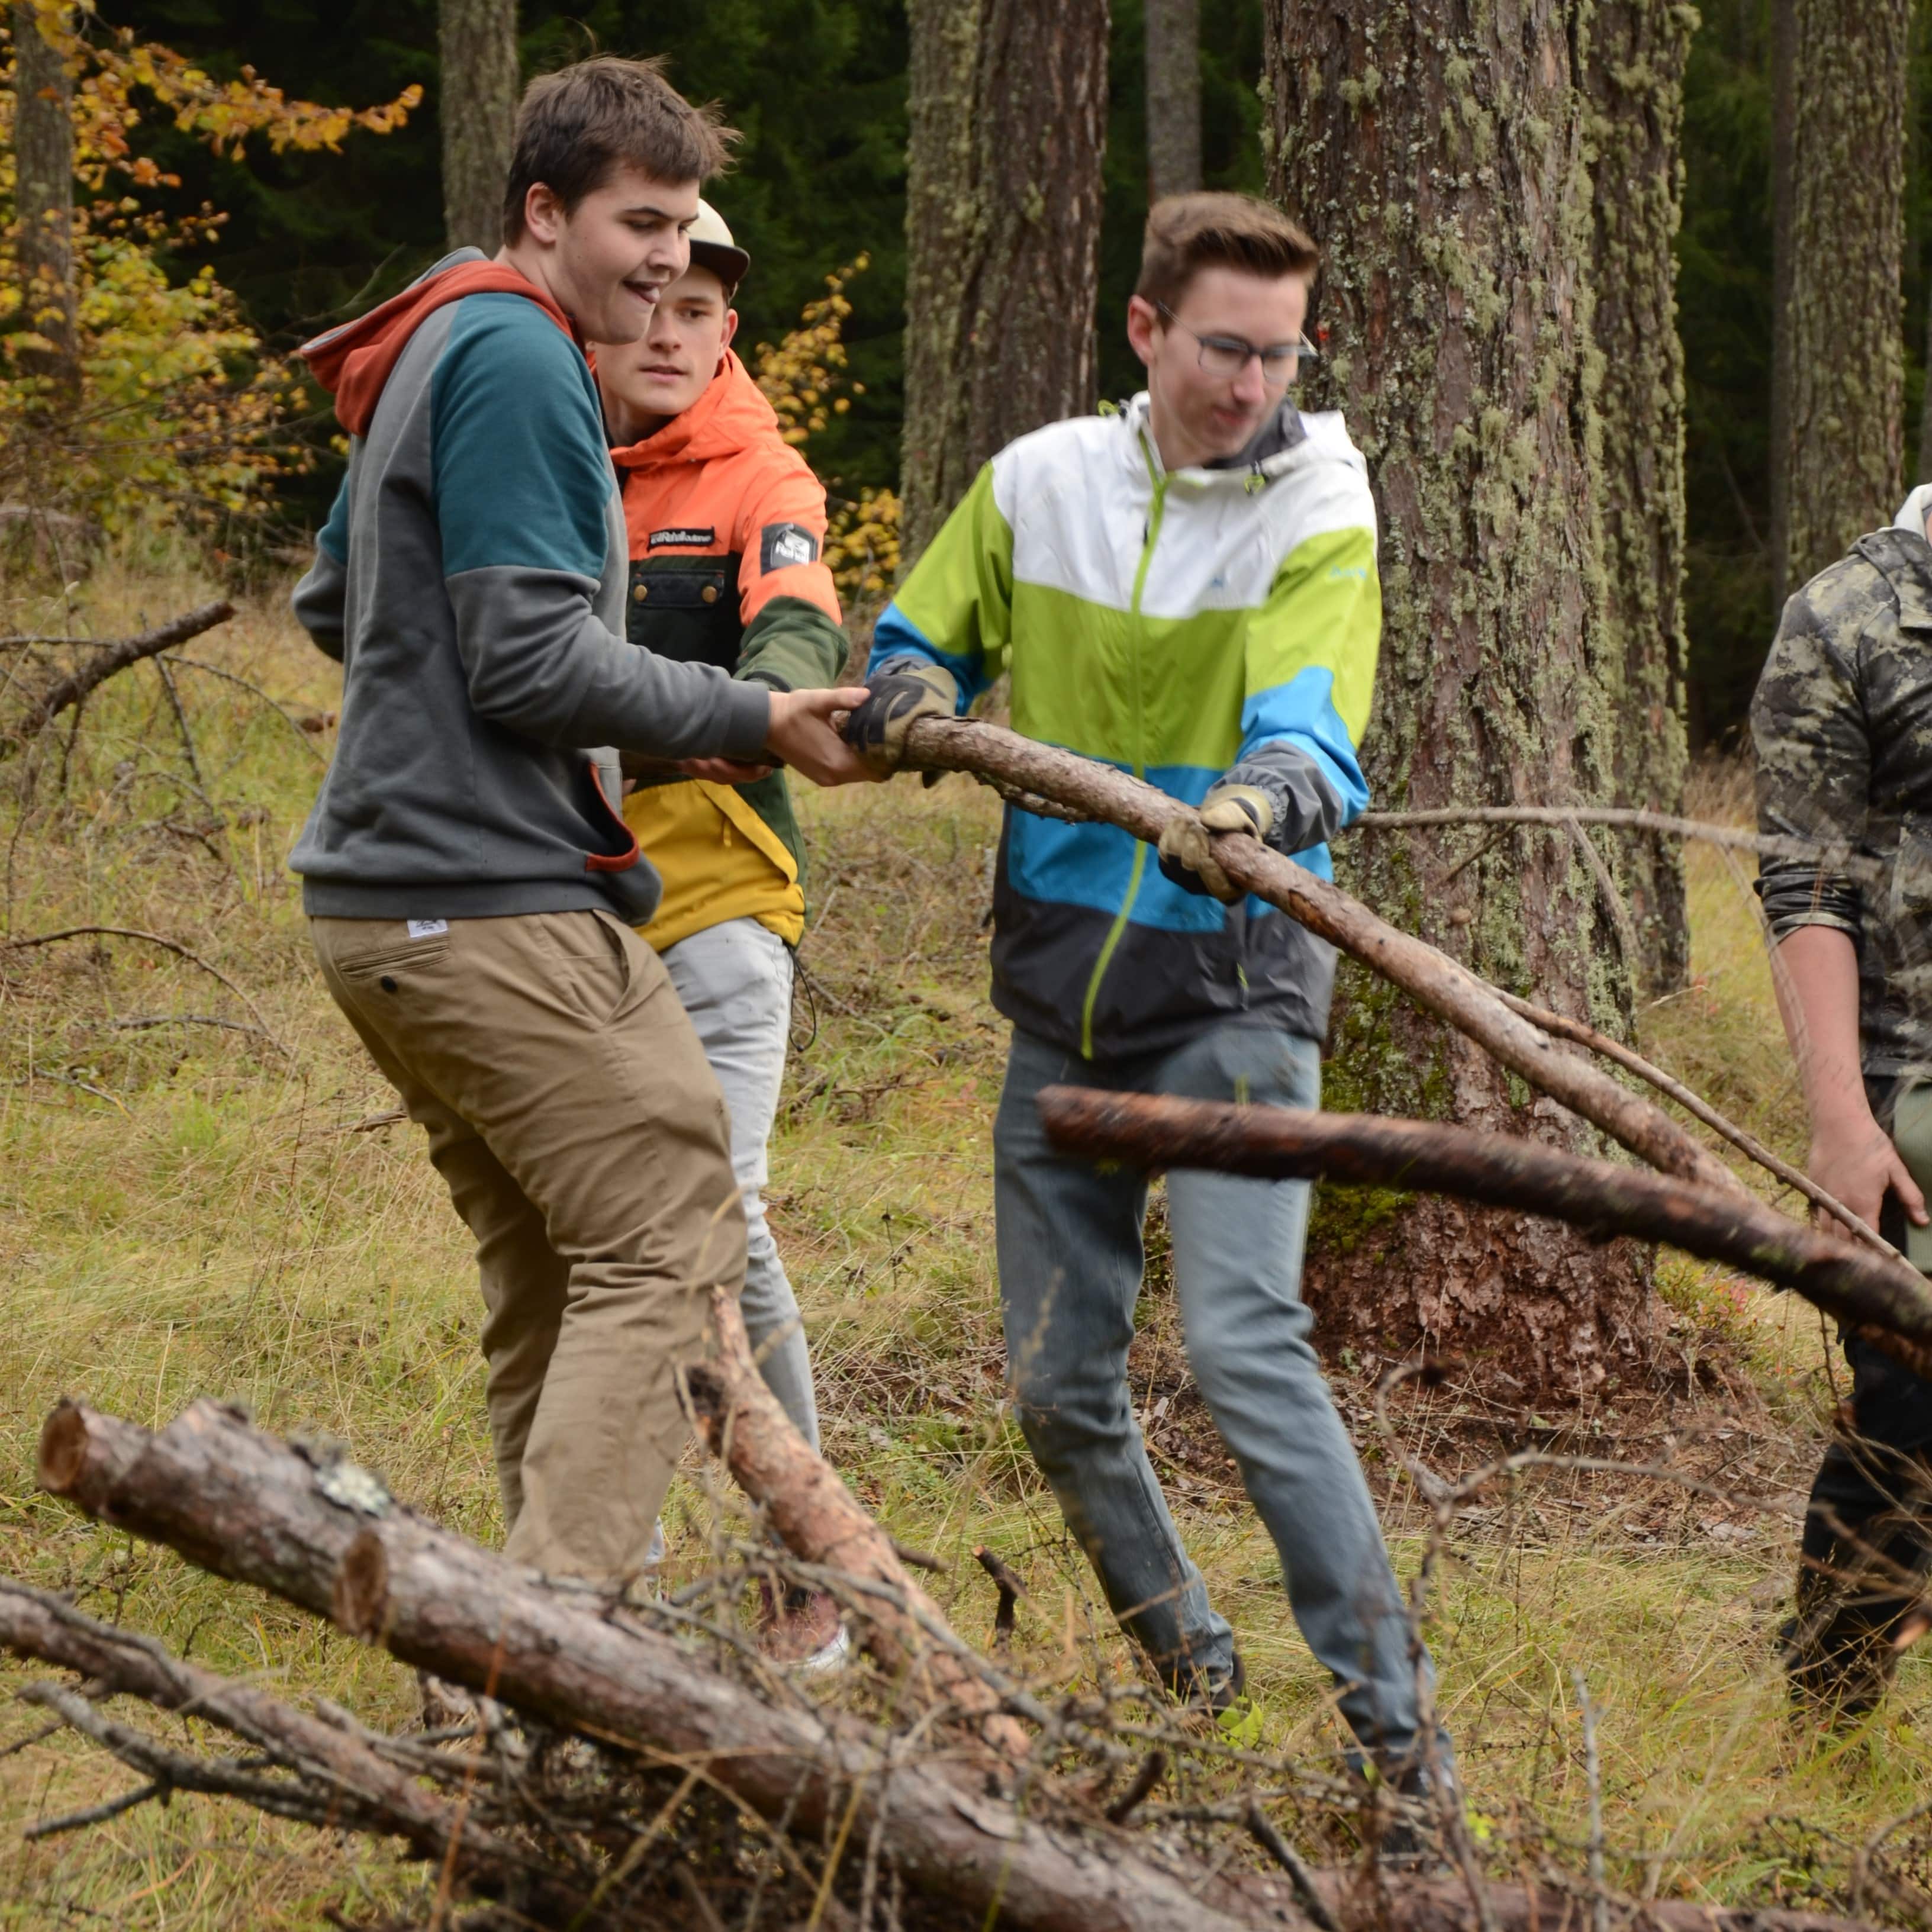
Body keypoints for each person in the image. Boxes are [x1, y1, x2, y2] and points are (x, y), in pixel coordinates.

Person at [843, 191, 1450, 1788]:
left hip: (1236, 988)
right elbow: (922, 636)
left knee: (1247, 1350)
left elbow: (1315, 718)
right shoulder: (1040, 481)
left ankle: (1405, 1762)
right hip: (1062, 999)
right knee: (1054, 1388)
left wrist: (1256, 808)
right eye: (1224, 349)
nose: (1255, 385)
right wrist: (909, 688)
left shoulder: (1321, 494)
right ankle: (1195, 1680)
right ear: (1146, 330)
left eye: (1282, 353)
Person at [287, 56, 869, 1590]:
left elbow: (333, 596)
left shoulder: (438, 331)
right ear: (545, 214)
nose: (668, 258)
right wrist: (755, 717)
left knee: (557, 1276)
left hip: (379, 910)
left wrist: (431, 730)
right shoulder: (528, 358)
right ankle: (565, 1649)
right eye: (640, 223)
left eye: (684, 229)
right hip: (478, 903)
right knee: (680, 1227)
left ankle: (522, 1661)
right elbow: (533, 660)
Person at [590, 199, 849, 1664]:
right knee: (605, 1235)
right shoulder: (548, 446)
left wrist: (775, 692)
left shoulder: (760, 471)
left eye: (701, 312)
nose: (671, 335)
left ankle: (807, 1568)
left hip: (725, 904)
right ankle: (610, 1567)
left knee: (720, 1216)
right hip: (561, 911)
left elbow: (799, 611)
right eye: (655, 305)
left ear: (728, 325)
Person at [1753, 482, 1932, 1719]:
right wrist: (1842, 1124)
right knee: (1908, 1415)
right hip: (1912, 1077)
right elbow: (1806, 888)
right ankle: (1828, 1710)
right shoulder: (1846, 616)